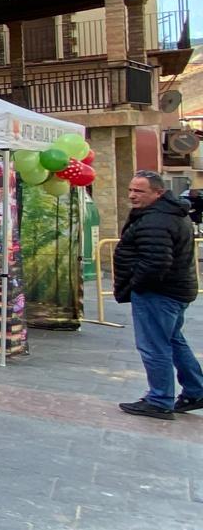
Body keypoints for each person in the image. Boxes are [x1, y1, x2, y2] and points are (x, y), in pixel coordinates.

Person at [114, 170, 202, 420]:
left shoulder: (156, 220)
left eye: (139, 191)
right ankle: (196, 389)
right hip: (175, 290)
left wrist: (135, 284)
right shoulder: (168, 214)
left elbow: (155, 262)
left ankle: (159, 398)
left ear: (158, 193)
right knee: (173, 341)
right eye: (131, 189)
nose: (132, 195)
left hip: (159, 293)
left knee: (155, 346)